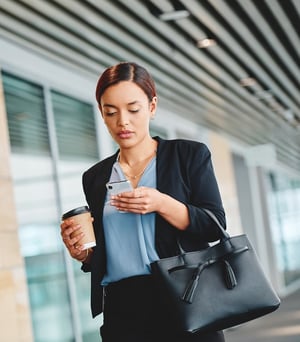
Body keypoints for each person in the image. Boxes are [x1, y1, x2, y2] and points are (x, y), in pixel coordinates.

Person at [60, 62, 226, 342]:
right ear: (101, 113)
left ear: (152, 106)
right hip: (123, 310)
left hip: (185, 296)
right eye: (110, 112)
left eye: (133, 109)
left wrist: (162, 203)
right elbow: (108, 249)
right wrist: (84, 254)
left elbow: (214, 227)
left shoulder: (188, 156)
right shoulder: (95, 177)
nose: (122, 121)